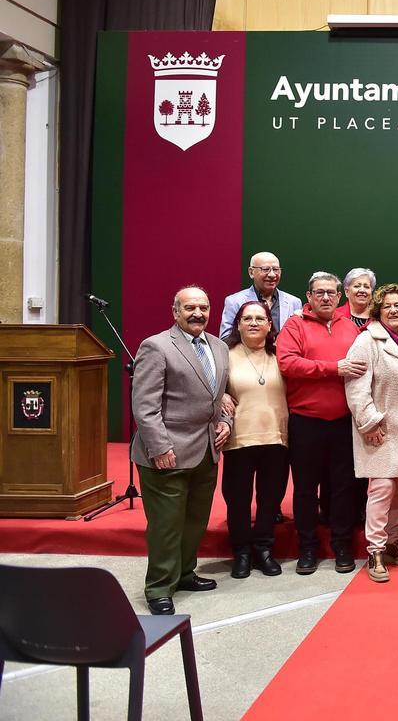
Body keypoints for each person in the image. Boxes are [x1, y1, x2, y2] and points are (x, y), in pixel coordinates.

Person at [132, 286, 233, 615]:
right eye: (190, 307)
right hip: (167, 453)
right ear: (175, 312)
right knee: (166, 525)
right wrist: (159, 446)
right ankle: (159, 586)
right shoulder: (156, 346)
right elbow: (145, 407)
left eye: (204, 307)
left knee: (194, 521)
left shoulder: (218, 347)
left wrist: (226, 423)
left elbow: (221, 397)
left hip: (206, 450)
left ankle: (185, 572)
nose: (198, 313)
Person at [276, 272, 365, 575]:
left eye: (331, 292)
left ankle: (342, 546)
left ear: (340, 296)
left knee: (343, 487)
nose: (326, 297)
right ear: (309, 296)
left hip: (343, 422)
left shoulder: (350, 328)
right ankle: (308, 548)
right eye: (319, 292)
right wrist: (333, 368)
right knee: (304, 489)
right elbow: (287, 363)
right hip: (306, 421)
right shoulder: (294, 325)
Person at [344, 283, 398, 583]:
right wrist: (369, 423)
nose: (394, 310)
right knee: (382, 491)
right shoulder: (367, 341)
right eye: (388, 306)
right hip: (382, 429)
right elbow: (355, 387)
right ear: (378, 311)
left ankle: (392, 541)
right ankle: (375, 550)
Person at [220, 300, 288, 580]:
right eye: (247, 318)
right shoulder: (225, 355)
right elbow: (207, 386)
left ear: (270, 324)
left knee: (270, 499)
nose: (253, 323)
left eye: (260, 318)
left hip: (277, 437)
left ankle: (263, 549)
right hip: (239, 438)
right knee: (238, 500)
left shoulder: (281, 355)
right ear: (238, 324)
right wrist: (219, 395)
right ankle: (242, 552)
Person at [219, 251, 302, 339]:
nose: (272, 275)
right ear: (251, 272)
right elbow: (225, 339)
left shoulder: (294, 302)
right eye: (266, 269)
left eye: (276, 269)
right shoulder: (235, 301)